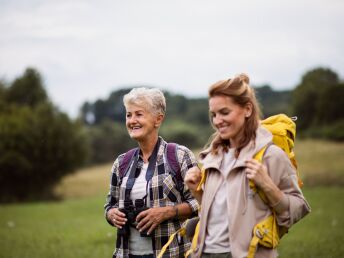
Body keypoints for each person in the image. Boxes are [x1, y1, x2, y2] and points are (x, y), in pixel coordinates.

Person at [185, 74, 311, 258]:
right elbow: (220, 214)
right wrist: (196, 191)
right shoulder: (213, 157)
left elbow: (298, 208)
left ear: (247, 109)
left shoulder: (271, 155)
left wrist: (268, 185)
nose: (218, 120)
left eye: (224, 112)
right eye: (214, 114)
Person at [104, 87, 199, 258]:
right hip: (126, 253)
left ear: (158, 119)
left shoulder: (179, 156)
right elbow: (110, 204)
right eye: (129, 115)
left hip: (171, 253)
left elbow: (200, 203)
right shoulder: (121, 162)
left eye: (139, 114)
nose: (132, 120)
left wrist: (166, 212)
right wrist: (112, 214)